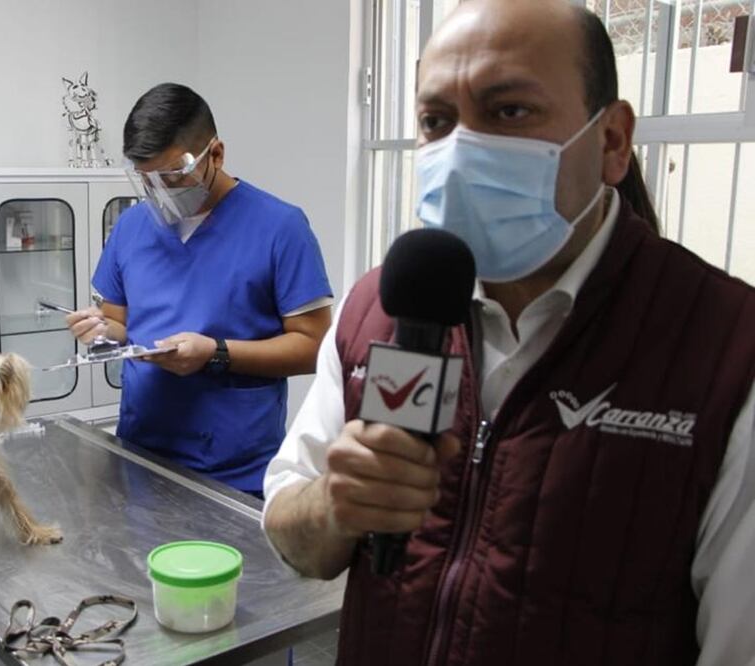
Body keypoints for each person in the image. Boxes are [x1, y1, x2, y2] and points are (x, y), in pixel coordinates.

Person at [262, 2, 755, 664]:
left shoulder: (727, 351)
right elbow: (293, 537)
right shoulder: (377, 309)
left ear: (610, 141)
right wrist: (334, 506)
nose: (460, 150)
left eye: (508, 112)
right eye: (435, 121)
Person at [66, 83, 333, 497]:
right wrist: (100, 329)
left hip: (235, 470)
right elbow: (120, 324)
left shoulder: (280, 228)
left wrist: (216, 354)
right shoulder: (132, 227)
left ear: (216, 154)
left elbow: (314, 347)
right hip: (142, 456)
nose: (160, 193)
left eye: (173, 177)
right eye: (146, 180)